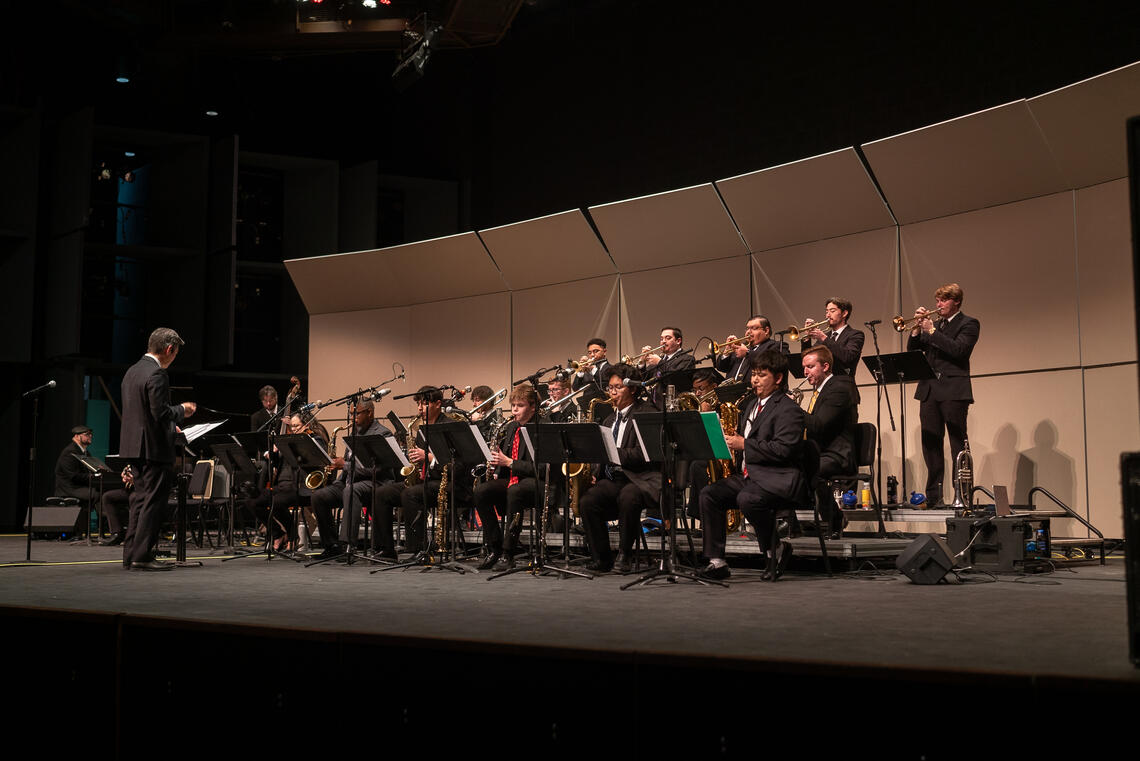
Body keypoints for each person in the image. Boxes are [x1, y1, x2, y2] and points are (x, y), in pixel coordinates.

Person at [698, 350, 807, 581]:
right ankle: (717, 561)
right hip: (752, 475)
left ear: (778, 378)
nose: (754, 380)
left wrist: (744, 444)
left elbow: (784, 450)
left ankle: (774, 549)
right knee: (709, 494)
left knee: (747, 499)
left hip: (777, 476)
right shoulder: (752, 406)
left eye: (761, 375)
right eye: (754, 374)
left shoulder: (789, 409)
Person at [119, 327, 196, 571]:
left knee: (139, 502)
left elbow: (141, 413)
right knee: (152, 503)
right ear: (169, 349)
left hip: (133, 447)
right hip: (153, 449)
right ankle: (142, 556)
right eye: (176, 353)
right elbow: (161, 413)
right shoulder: (157, 374)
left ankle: (131, 555)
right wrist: (182, 410)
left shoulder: (132, 371)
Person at [578, 364, 660, 573]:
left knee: (628, 496)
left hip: (641, 477)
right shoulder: (608, 419)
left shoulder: (647, 413)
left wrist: (613, 453)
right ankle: (602, 558)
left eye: (618, 387)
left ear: (632, 389)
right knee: (588, 501)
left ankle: (625, 555)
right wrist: (595, 472)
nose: (612, 392)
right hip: (615, 478)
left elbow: (644, 455)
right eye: (610, 388)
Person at [906, 283, 980, 506]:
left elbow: (958, 350)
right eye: (937, 300)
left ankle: (962, 496)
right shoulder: (933, 325)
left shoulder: (969, 323)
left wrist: (931, 331)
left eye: (943, 300)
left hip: (953, 390)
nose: (938, 305)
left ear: (956, 301)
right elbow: (913, 353)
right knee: (930, 444)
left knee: (958, 444)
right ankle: (935, 496)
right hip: (929, 390)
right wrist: (917, 330)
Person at [309, 400, 392, 558]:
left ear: (370, 413)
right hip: (349, 481)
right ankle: (332, 545)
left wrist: (345, 465)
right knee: (318, 496)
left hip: (375, 482)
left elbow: (377, 469)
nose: (353, 417)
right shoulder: (355, 432)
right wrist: (336, 479)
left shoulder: (382, 433)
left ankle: (348, 545)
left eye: (357, 413)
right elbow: (349, 460)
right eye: (351, 413)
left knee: (351, 490)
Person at [472, 384, 542, 570]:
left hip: (537, 481)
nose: (514, 410)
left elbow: (542, 468)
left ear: (533, 407)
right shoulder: (511, 427)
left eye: (520, 405)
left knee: (514, 491)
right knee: (482, 491)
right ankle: (494, 547)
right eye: (513, 405)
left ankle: (508, 553)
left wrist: (510, 463)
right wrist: (496, 465)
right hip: (513, 478)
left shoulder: (542, 427)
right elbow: (507, 458)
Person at [399, 386, 468, 557]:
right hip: (428, 480)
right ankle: (384, 548)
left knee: (411, 494)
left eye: (424, 404)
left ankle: (418, 548)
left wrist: (429, 458)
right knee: (383, 493)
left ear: (438, 404)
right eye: (418, 404)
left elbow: (459, 466)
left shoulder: (450, 426)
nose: (420, 408)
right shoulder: (422, 429)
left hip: (454, 483)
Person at [800, 345, 859, 537]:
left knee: (806, 468)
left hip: (837, 454)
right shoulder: (820, 391)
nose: (805, 372)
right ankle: (792, 521)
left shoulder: (839, 389)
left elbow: (818, 425)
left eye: (810, 367)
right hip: (821, 452)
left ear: (825, 366)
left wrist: (792, 410)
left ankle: (833, 517)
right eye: (804, 368)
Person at [801, 297, 865, 380]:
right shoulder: (825, 336)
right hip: (823, 385)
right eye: (827, 311)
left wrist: (824, 338)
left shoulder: (855, 335)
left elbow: (847, 357)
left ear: (844, 313)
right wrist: (807, 338)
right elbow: (808, 358)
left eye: (832, 311)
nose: (828, 315)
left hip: (844, 384)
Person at [53, 424, 101, 535]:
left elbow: (92, 469)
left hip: (80, 486)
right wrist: (94, 477)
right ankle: (99, 529)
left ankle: (99, 529)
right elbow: (73, 476)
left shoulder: (85, 452)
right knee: (97, 494)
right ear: (77, 436)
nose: (90, 436)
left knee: (102, 491)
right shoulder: (69, 452)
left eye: (91, 435)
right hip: (70, 488)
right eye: (87, 434)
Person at [640, 326, 696, 408]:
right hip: (654, 406)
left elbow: (676, 377)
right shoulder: (660, 359)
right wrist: (641, 362)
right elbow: (644, 378)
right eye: (661, 339)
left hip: (675, 406)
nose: (663, 341)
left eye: (668, 338)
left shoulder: (687, 359)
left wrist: (659, 362)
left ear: (678, 341)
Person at [716, 315, 784, 383]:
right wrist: (726, 351)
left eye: (753, 328)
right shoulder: (741, 347)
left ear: (766, 330)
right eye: (747, 328)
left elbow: (772, 365)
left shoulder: (776, 346)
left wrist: (747, 353)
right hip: (730, 391)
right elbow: (721, 368)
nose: (748, 332)